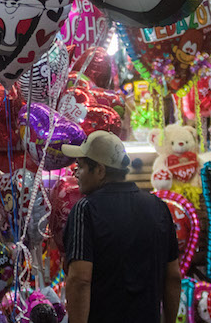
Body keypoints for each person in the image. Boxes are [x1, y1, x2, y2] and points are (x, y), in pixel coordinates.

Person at [61, 131, 180, 323]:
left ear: (100, 170)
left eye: (80, 166)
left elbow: (80, 280)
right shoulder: (158, 207)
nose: (76, 173)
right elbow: (173, 276)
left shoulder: (86, 209)